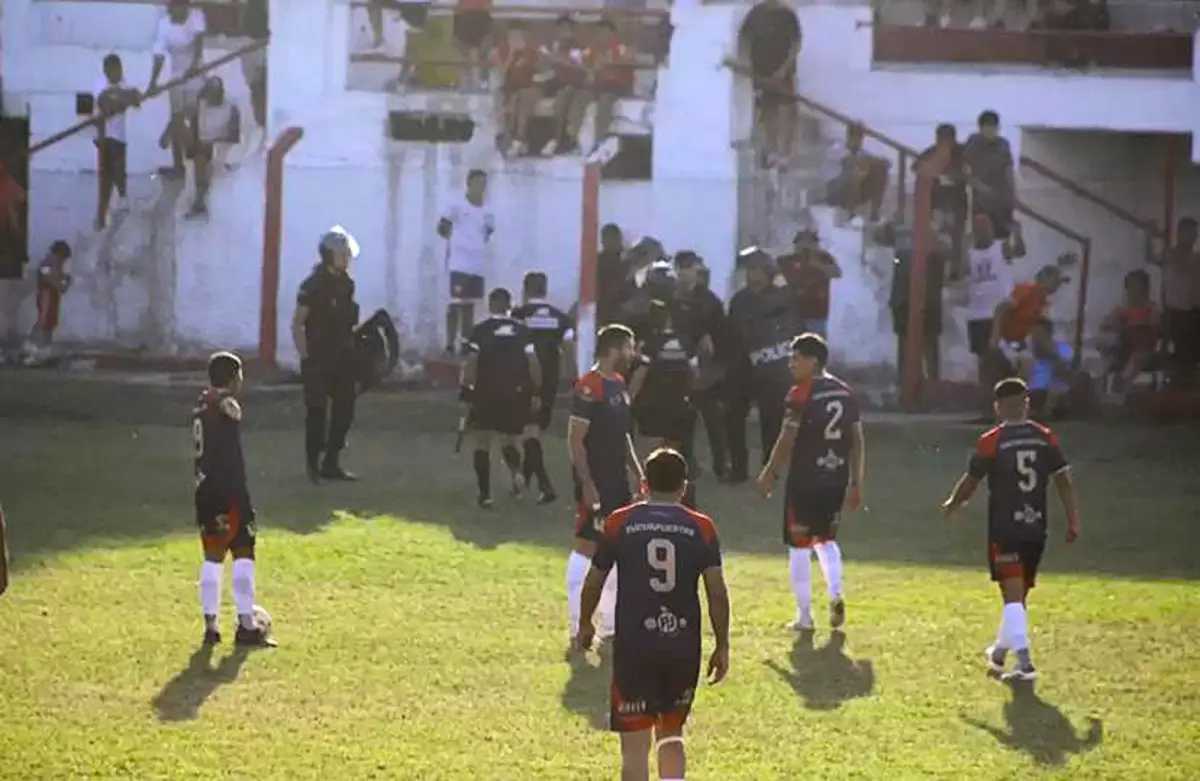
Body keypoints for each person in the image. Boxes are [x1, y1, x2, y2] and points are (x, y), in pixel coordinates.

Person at [576, 447, 731, 781]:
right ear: (684, 487)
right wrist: (722, 644)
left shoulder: (620, 521)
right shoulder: (701, 527)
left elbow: (594, 581)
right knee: (671, 735)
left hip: (635, 646)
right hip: (681, 646)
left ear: (644, 484)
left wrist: (585, 623)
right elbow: (716, 591)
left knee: (634, 749)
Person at [941, 378, 1080, 682]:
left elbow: (971, 480)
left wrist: (954, 502)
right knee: (1017, 595)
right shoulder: (1046, 438)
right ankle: (1001, 652)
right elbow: (1064, 481)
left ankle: (1026, 664)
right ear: (1027, 403)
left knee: (1013, 595)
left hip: (1005, 528)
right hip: (1035, 527)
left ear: (997, 407)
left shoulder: (992, 440)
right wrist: (1073, 521)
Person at [756, 333, 865, 631]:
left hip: (805, 481)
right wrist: (857, 482)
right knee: (827, 540)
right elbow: (857, 439)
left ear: (812, 360)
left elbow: (787, 437)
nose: (790, 363)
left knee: (799, 546)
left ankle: (804, 616)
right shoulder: (846, 392)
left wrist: (770, 472)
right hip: (835, 478)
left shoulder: (800, 393)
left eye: (795, 358)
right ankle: (836, 594)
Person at [566, 324, 645, 644]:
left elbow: (623, 434)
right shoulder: (590, 386)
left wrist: (638, 473)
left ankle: (611, 625)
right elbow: (575, 440)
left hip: (618, 482)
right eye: (630, 347)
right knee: (587, 549)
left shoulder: (619, 384)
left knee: (616, 551)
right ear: (615, 348)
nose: (633, 353)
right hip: (597, 482)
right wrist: (587, 484)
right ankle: (576, 624)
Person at [191, 352, 275, 648]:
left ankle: (211, 625)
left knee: (213, 558)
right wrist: (226, 401)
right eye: (239, 375)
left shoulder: (200, 404)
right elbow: (231, 411)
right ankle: (247, 625)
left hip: (205, 489)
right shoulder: (222, 403)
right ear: (232, 377)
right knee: (243, 552)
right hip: (230, 490)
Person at [293, 226, 362, 483]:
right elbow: (298, 322)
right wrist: (305, 356)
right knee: (317, 412)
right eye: (342, 254)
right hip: (318, 357)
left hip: (343, 356)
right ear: (328, 255)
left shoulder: (347, 284)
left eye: (347, 253)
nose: (346, 258)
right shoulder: (312, 285)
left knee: (345, 411)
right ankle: (313, 464)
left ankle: (332, 462)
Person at [463, 287, 542, 508]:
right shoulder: (523, 331)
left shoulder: (480, 331)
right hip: (515, 392)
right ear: (509, 305)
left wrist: (467, 389)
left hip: (485, 392)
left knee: (482, 441)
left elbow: (471, 362)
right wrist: (536, 390)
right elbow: (533, 362)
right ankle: (517, 473)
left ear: (490, 304)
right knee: (508, 439)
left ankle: (485, 494)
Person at [725, 247, 798, 483]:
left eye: (756, 269)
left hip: (769, 366)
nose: (751, 274)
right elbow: (732, 330)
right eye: (749, 269)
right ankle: (738, 468)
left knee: (772, 419)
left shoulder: (780, 297)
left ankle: (771, 467)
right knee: (734, 416)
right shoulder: (740, 299)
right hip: (741, 365)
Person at [511, 272, 575, 504]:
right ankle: (523, 483)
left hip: (524, 378)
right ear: (545, 289)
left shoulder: (518, 316)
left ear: (526, 289)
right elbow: (568, 349)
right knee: (535, 430)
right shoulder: (561, 318)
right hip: (550, 380)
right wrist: (573, 378)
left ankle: (545, 485)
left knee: (529, 431)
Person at [629, 300, 699, 505]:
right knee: (677, 456)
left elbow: (640, 374)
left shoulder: (651, 344)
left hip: (654, 407)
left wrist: (628, 399)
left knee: (649, 455)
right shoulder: (686, 343)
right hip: (680, 407)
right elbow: (695, 372)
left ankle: (646, 496)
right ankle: (683, 500)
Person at [965, 215, 1026, 387]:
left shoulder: (1001, 247)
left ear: (991, 229)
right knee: (982, 356)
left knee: (999, 353)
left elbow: (1019, 251)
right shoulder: (970, 253)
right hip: (977, 313)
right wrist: (962, 245)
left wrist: (1018, 233)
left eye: (985, 226)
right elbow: (959, 272)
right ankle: (984, 391)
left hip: (999, 312)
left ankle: (1009, 384)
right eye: (977, 228)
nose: (981, 231)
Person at [438, 169, 495, 354]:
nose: (481, 188)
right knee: (455, 304)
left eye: (484, 184)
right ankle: (449, 344)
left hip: (477, 265)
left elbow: (488, 232)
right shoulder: (456, 205)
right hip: (459, 263)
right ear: (469, 184)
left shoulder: (487, 209)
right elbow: (442, 227)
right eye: (478, 183)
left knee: (469, 305)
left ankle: (465, 344)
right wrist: (457, 244)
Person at [148, 0, 206, 178]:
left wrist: (195, 65)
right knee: (176, 116)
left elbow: (198, 42)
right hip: (176, 73)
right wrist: (153, 82)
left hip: (195, 71)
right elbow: (159, 56)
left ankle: (198, 159)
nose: (175, 12)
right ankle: (178, 165)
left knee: (194, 116)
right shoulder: (164, 25)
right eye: (172, 8)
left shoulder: (196, 15)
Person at [991, 264, 1069, 382]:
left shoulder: (1044, 303)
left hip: (1023, 344)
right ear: (1045, 280)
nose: (1057, 286)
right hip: (1008, 342)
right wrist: (995, 336)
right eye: (1055, 282)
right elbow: (1001, 308)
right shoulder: (1026, 290)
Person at [94, 54, 139, 230]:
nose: (117, 73)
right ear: (106, 71)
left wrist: (119, 99)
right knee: (105, 181)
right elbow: (105, 104)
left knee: (119, 173)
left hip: (119, 138)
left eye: (119, 69)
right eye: (113, 70)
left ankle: (121, 200)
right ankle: (101, 218)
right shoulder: (99, 84)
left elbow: (136, 98)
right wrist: (122, 99)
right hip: (104, 138)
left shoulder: (123, 85)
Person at [1099, 269, 1161, 392]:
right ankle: (1103, 384)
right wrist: (1113, 325)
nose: (1134, 292)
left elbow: (1157, 326)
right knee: (1110, 356)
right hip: (1124, 348)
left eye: (1138, 288)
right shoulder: (1123, 310)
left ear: (1146, 290)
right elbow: (1106, 324)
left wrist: (1142, 326)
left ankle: (1124, 384)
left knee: (1135, 360)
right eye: (1131, 288)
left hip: (1145, 350)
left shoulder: (1151, 308)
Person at [188, 76, 240, 218]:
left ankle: (205, 200)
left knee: (211, 160)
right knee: (200, 159)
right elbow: (195, 128)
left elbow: (234, 136)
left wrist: (215, 142)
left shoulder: (231, 107)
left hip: (223, 145)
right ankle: (199, 200)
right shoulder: (201, 104)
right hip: (205, 145)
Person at [776, 228, 842, 338]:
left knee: (815, 348)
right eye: (802, 242)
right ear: (795, 245)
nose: (806, 246)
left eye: (810, 243)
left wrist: (816, 264)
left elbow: (836, 273)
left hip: (817, 314)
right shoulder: (786, 260)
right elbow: (774, 276)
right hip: (792, 315)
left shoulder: (824, 258)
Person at [963, 110, 1016, 241]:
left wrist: (1013, 194)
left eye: (994, 128)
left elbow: (1008, 169)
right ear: (981, 128)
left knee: (1003, 237)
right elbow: (964, 169)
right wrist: (979, 186)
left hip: (1002, 199)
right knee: (982, 238)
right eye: (988, 128)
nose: (992, 132)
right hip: (982, 201)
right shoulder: (973, 144)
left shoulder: (1003, 144)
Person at [21, 241, 72, 364]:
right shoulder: (47, 265)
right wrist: (63, 281)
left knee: (50, 322)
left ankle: (43, 349)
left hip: (53, 296)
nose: (62, 262)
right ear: (58, 254)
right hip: (46, 296)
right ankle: (32, 348)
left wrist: (64, 281)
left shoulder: (54, 266)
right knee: (43, 321)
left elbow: (61, 286)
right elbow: (52, 281)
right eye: (62, 258)